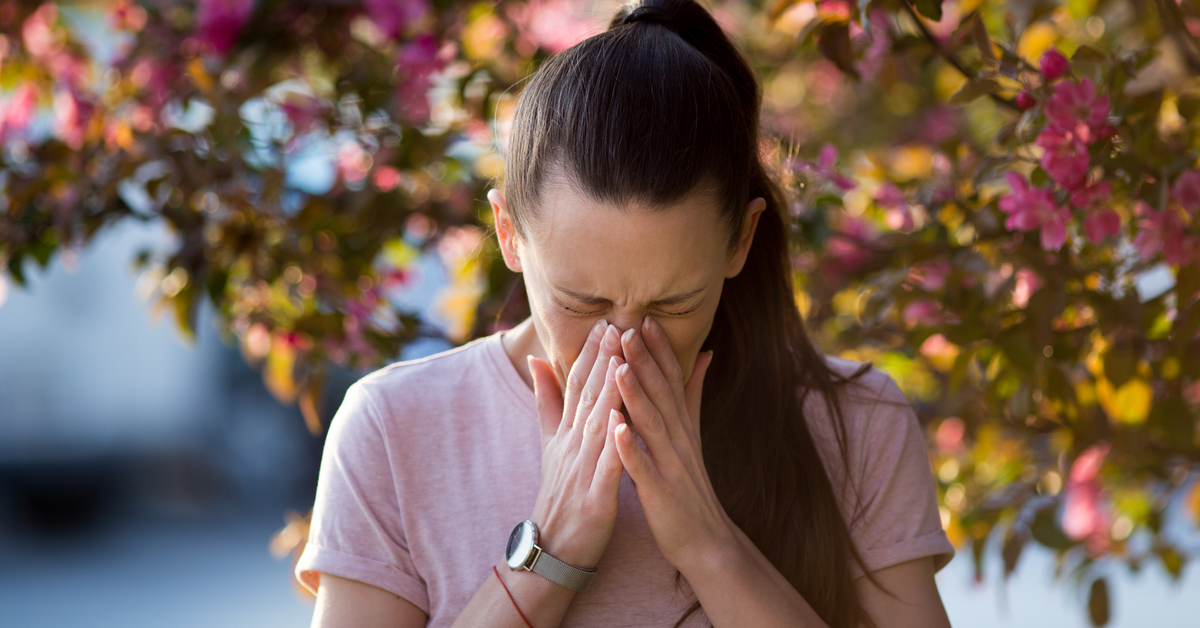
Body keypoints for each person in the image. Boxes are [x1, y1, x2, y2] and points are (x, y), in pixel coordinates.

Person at [297, 0, 956, 626]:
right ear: (508, 234)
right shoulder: (394, 428)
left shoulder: (857, 424)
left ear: (740, 242)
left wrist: (708, 544)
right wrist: (548, 557)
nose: (623, 342)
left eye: (674, 303)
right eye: (583, 302)